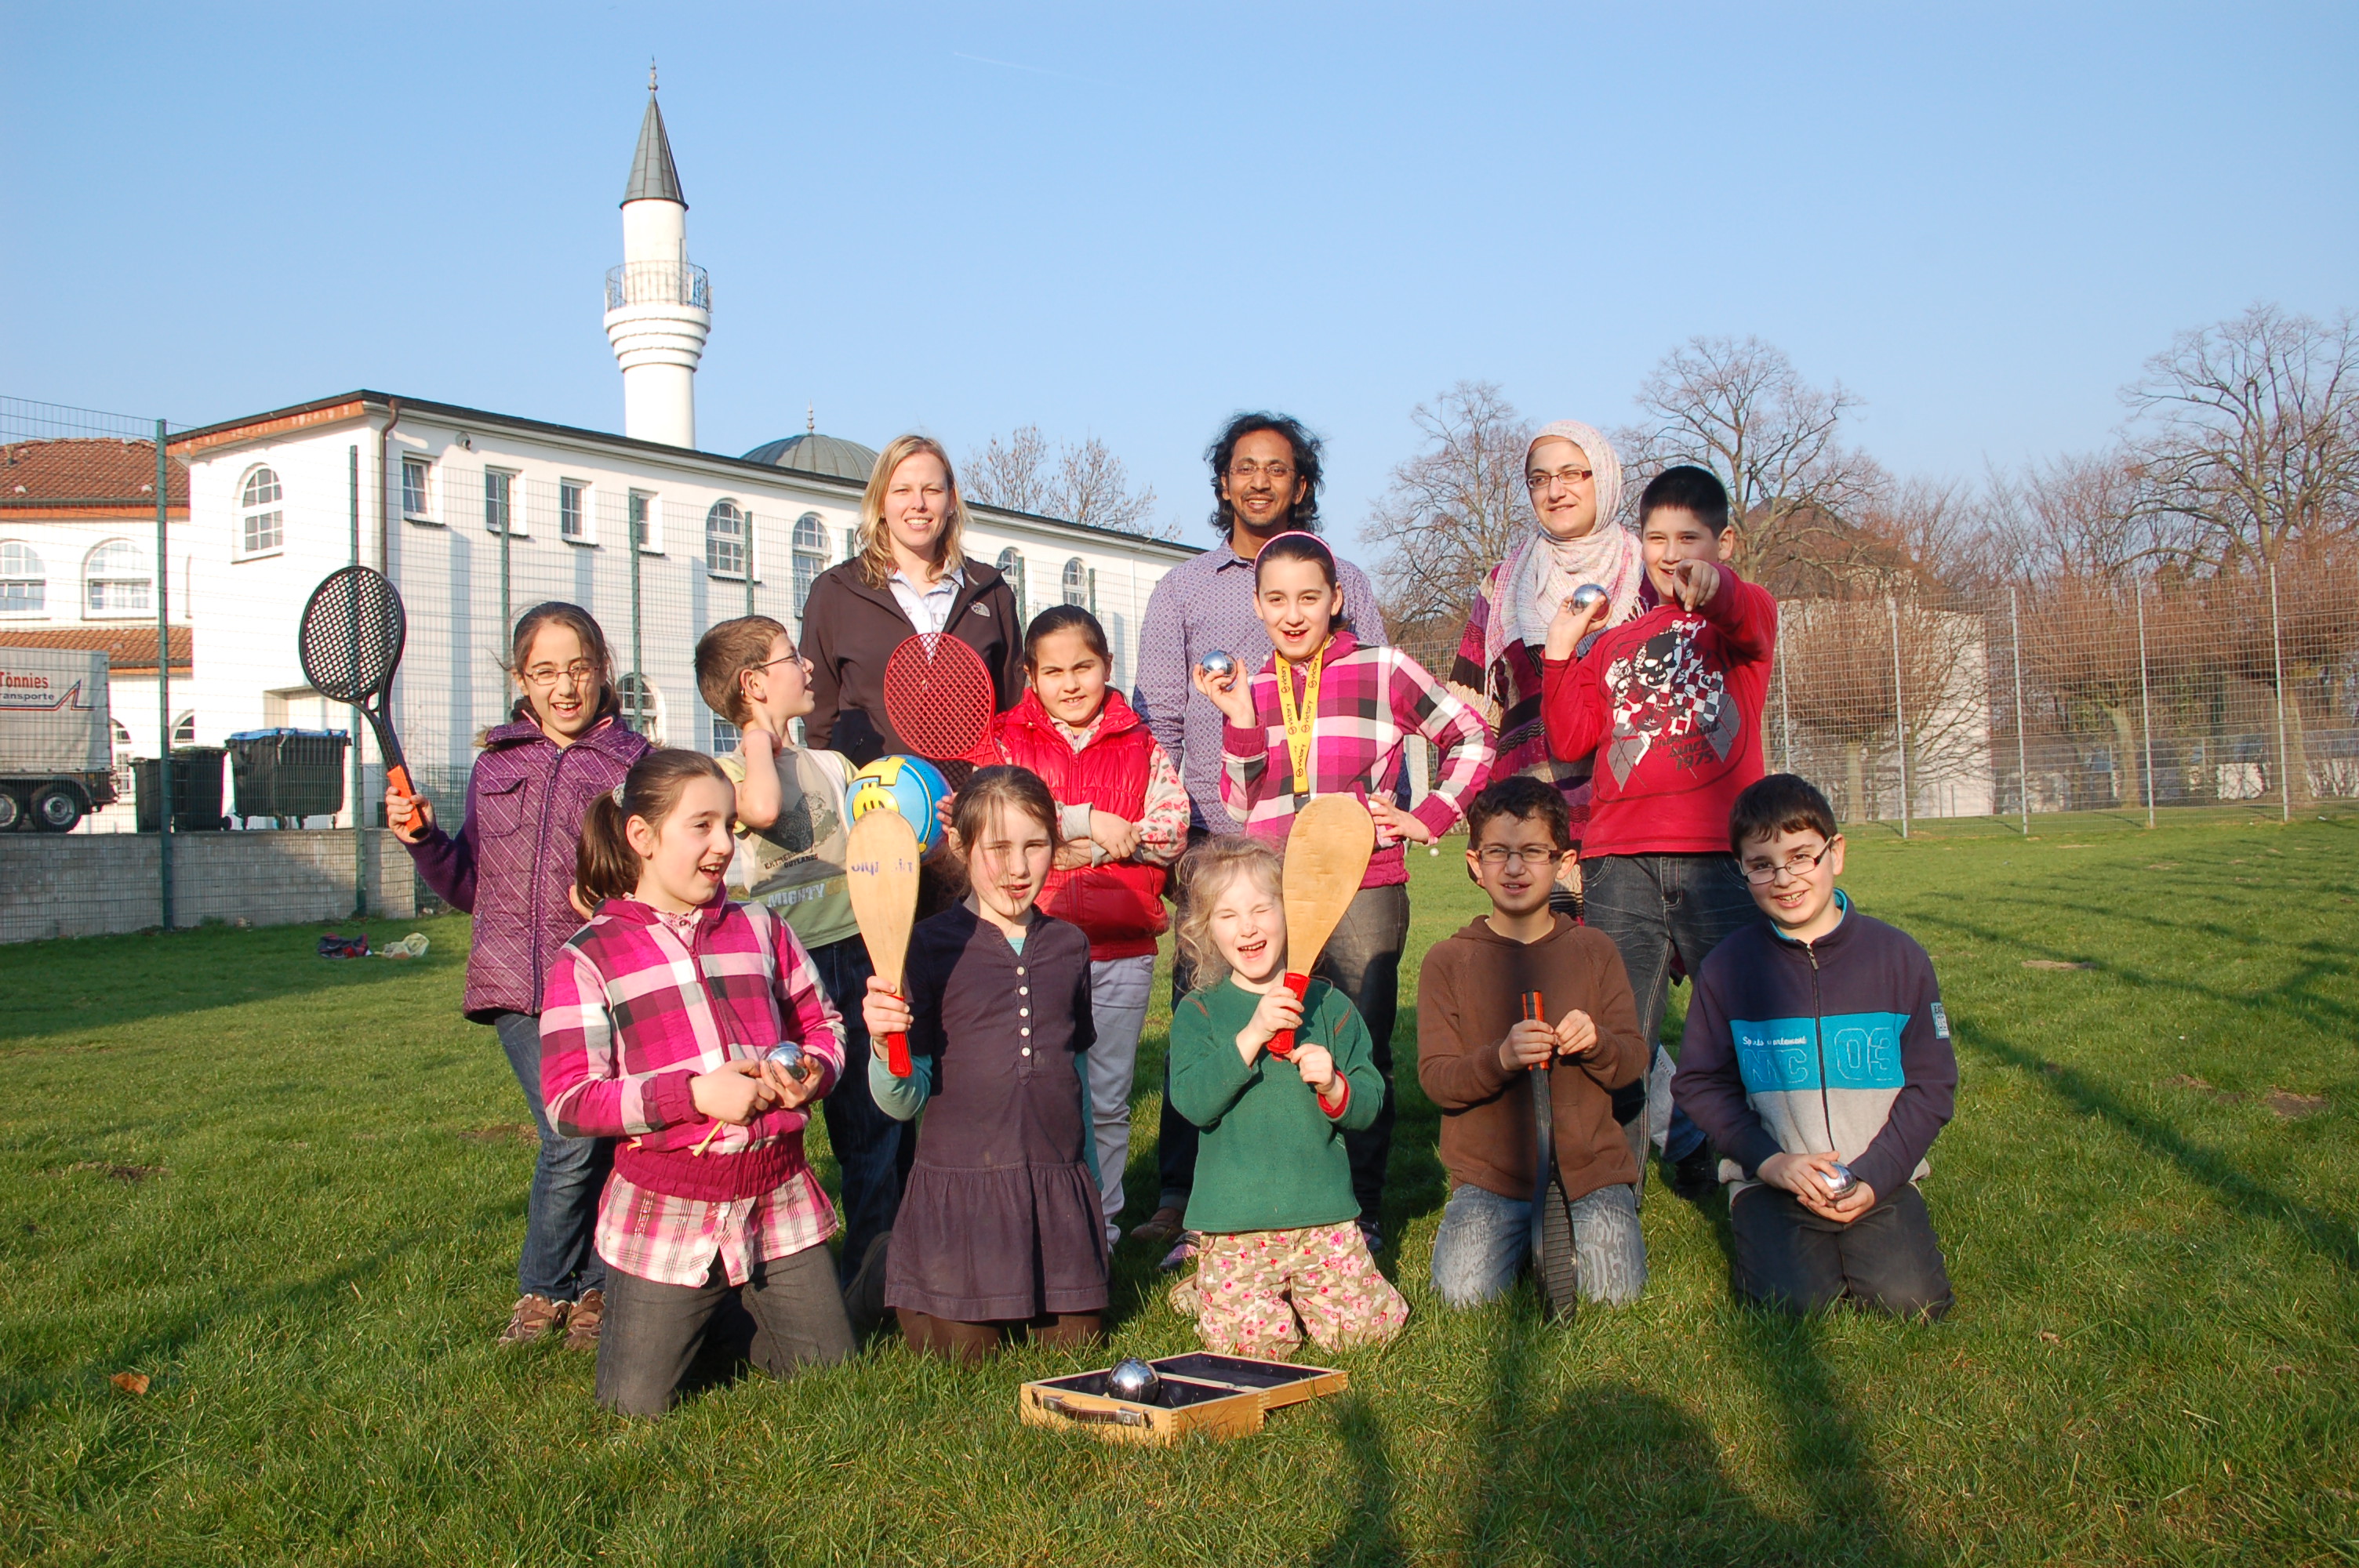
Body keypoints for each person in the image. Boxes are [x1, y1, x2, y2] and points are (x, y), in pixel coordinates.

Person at [1128, 412, 1389, 1259]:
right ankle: (1184, 1196)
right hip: (1218, 837)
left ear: (1300, 482)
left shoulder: (1342, 575)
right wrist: (1173, 837)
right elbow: (1160, 715)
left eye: (1277, 468)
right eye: (1244, 468)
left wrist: (1386, 811)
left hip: (1335, 844)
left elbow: (1382, 701)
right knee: (1208, 1018)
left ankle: (1354, 1201)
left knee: (1349, 1014)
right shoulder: (1184, 590)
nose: (1259, 482)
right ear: (1222, 483)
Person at [1194, 530, 1494, 1254]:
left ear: (1336, 599)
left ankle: (1358, 1214)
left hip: (1365, 886)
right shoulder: (1250, 684)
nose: (1292, 615)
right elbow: (1239, 804)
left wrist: (1426, 818)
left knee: (1356, 1045)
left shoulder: (1383, 668)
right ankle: (1280, 1205)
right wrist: (1238, 720)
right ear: (1256, 604)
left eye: (1308, 597)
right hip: (1274, 892)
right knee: (1274, 1038)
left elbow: (1474, 737)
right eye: (1275, 600)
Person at [539, 749, 854, 1414]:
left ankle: (741, 1308)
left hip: (776, 1196)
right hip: (668, 1213)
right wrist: (693, 1095)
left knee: (833, 1380)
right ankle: (698, 1315)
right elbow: (569, 1101)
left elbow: (823, 1024)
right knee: (633, 1408)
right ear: (642, 837)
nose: (722, 846)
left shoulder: (763, 927)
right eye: (702, 826)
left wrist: (809, 1072)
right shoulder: (588, 957)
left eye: (730, 828)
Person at [389, 601, 649, 1349]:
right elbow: (470, 884)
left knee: (609, 1136)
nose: (564, 688)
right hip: (513, 983)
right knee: (570, 1133)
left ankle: (598, 1293)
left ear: (603, 669)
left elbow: (649, 876)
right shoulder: (495, 765)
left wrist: (609, 896)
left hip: (606, 979)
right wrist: (423, 839)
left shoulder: (635, 764)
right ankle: (544, 1291)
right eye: (545, 673)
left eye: (577, 669)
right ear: (520, 679)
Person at [1540, 465, 1778, 1196]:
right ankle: (1616, 1191)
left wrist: (1716, 588)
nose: (1671, 554)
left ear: (1724, 541)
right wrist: (1560, 650)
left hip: (1717, 860)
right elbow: (1571, 738)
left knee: (1749, 1028)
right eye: (1656, 539)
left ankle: (1764, 1180)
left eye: (1690, 539)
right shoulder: (1616, 644)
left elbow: (1741, 609)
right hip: (1621, 862)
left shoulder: (1744, 622)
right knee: (1621, 1034)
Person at [1670, 775, 1957, 1319]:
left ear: (1836, 853)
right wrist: (1770, 1162)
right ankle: (1770, 1223)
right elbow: (1699, 1083)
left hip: (1880, 1175)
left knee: (1911, 1304)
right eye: (1762, 865)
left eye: (1802, 856)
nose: (1784, 878)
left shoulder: (1900, 958)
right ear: (1743, 871)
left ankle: (1881, 1221)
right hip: (1775, 1177)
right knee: (1790, 1306)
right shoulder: (1728, 969)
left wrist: (1878, 1174)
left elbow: (1933, 1085)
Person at [695, 615, 910, 1316]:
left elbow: (878, 848)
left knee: (870, 1128)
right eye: (792, 660)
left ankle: (874, 1275)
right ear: (754, 683)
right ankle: (757, 1287)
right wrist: (760, 739)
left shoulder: (833, 766)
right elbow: (761, 807)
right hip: (774, 975)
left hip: (852, 952)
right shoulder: (724, 779)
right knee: (772, 1132)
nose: (809, 669)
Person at [860, 767, 1107, 1362]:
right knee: (963, 1355)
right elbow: (903, 1099)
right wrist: (880, 1044)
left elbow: (1076, 1079)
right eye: (997, 849)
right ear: (962, 848)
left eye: (1035, 845)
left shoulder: (1071, 946)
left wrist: (1094, 1198)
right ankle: (887, 1263)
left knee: (1078, 1347)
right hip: (961, 1192)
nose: (1018, 869)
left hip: (1053, 1186)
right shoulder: (925, 945)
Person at [985, 606, 1190, 1247]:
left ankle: (1098, 1226)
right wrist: (1088, 821)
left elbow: (1170, 831)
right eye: (1054, 671)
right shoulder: (1005, 742)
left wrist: (1088, 847)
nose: (1070, 683)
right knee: (1031, 1092)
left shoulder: (1141, 743)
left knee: (1105, 1098)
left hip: (1120, 950)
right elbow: (990, 823)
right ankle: (1032, 1219)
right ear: (1031, 677)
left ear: (1107, 666)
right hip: (1027, 946)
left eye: (1084, 667)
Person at [1164, 836, 1407, 1359]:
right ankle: (1213, 1282)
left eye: (1260, 909)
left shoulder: (1332, 1006)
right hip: (1236, 1226)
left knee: (1364, 1337)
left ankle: (1288, 1289)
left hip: (1323, 1216)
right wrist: (1250, 1036)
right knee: (1256, 1350)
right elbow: (1193, 1102)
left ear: (1291, 914)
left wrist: (1335, 1085)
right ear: (1207, 931)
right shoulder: (1201, 1012)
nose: (1247, 927)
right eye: (1227, 915)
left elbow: (1368, 1103)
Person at [1416, 776, 1650, 1308]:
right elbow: (1438, 1080)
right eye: (1498, 853)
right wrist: (1499, 1057)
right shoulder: (1448, 961)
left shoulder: (1594, 950)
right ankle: (1526, 1242)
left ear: (1564, 861)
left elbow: (1633, 1060)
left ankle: (1561, 1236)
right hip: (1491, 1179)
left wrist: (1598, 1042)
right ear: (1475, 863)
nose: (1516, 869)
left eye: (1533, 853)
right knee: (1462, 1298)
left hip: (1590, 1172)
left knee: (1615, 1300)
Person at [1447, 420, 1646, 913]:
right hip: (1533, 824)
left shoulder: (1647, 574)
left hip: (1626, 813)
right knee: (1541, 977)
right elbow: (1470, 713)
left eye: (1572, 474)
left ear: (1603, 476)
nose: (1556, 491)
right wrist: (1482, 818)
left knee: (1621, 976)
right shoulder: (1505, 584)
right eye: (1540, 479)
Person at [799, 434, 1023, 768]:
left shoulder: (990, 592)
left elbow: (1010, 710)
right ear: (881, 502)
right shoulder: (836, 591)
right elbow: (819, 718)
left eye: (931, 490)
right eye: (902, 490)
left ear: (951, 500)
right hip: (872, 801)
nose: (918, 504)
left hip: (969, 805)